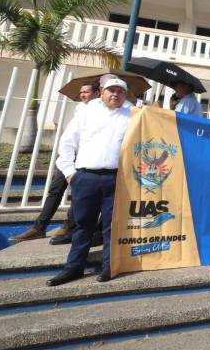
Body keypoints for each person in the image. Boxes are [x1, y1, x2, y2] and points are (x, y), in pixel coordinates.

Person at [47, 78, 132, 286]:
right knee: (82, 225)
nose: (116, 94)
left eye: (120, 92)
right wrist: (69, 174)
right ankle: (74, 267)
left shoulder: (132, 116)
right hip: (85, 178)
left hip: (116, 179)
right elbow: (67, 144)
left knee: (112, 227)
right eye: (111, 90)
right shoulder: (86, 114)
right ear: (101, 92)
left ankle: (109, 266)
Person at [9, 81, 100, 243]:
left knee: (78, 195)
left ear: (97, 93)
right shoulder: (80, 109)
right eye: (81, 92)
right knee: (55, 190)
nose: (82, 95)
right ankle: (39, 227)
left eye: (86, 91)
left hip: (86, 158)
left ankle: (68, 226)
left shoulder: (101, 111)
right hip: (68, 156)